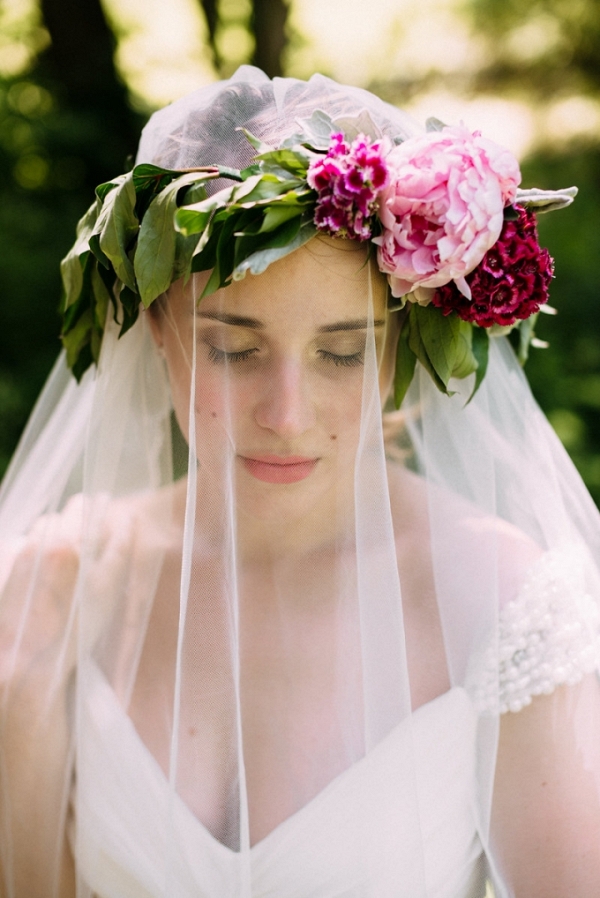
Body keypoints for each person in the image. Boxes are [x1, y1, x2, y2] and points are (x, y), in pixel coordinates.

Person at [1, 65, 599, 898]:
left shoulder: (505, 607)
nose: (286, 413)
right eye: (233, 349)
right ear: (159, 335)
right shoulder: (56, 580)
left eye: (341, 352)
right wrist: (22, 700)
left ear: (393, 350)